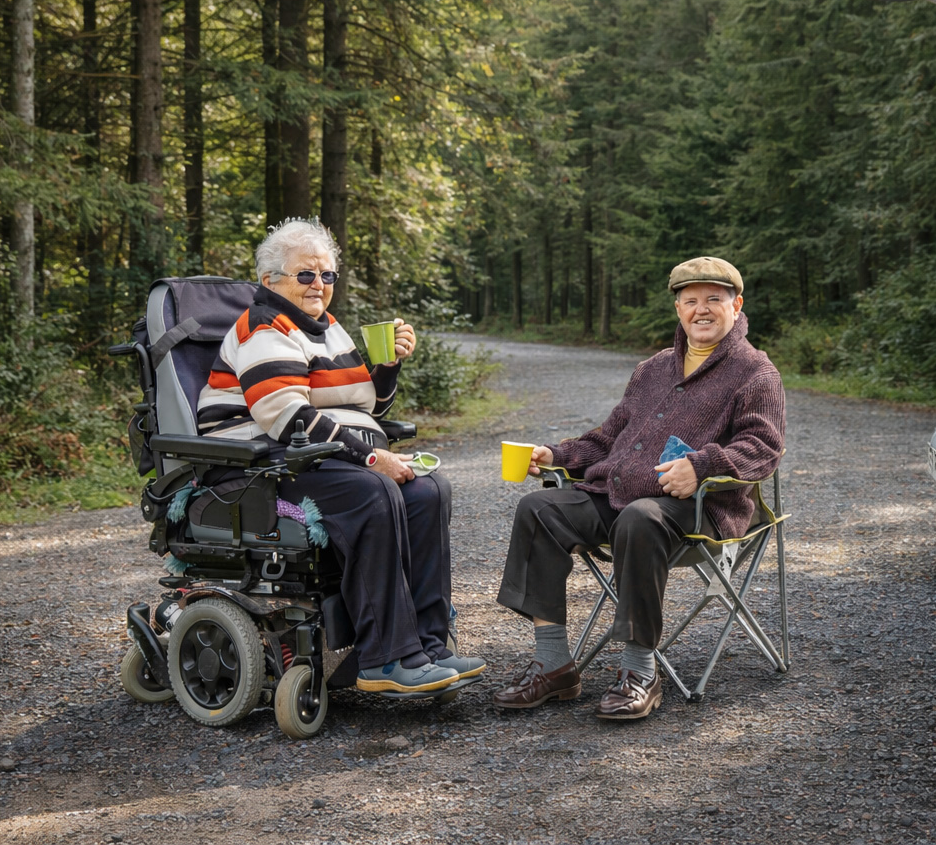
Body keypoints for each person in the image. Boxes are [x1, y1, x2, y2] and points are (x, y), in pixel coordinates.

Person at [196, 217, 484, 693]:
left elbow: (365, 410)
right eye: (306, 274)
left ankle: (429, 646)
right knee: (372, 491)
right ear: (270, 280)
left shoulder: (328, 328)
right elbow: (288, 417)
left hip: (313, 459)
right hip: (256, 467)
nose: (319, 284)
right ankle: (387, 659)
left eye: (327, 274)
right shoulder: (264, 327)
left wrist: (386, 368)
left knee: (429, 490)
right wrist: (371, 459)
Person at [493, 256, 785, 720]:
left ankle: (640, 672)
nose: (702, 309)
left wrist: (702, 466)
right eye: (690, 300)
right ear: (678, 309)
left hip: (697, 509)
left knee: (639, 518)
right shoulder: (652, 369)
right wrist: (555, 454)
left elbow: (764, 447)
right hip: (618, 495)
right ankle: (554, 665)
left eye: (714, 299)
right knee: (538, 509)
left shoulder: (756, 373)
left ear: (736, 305)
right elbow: (608, 438)